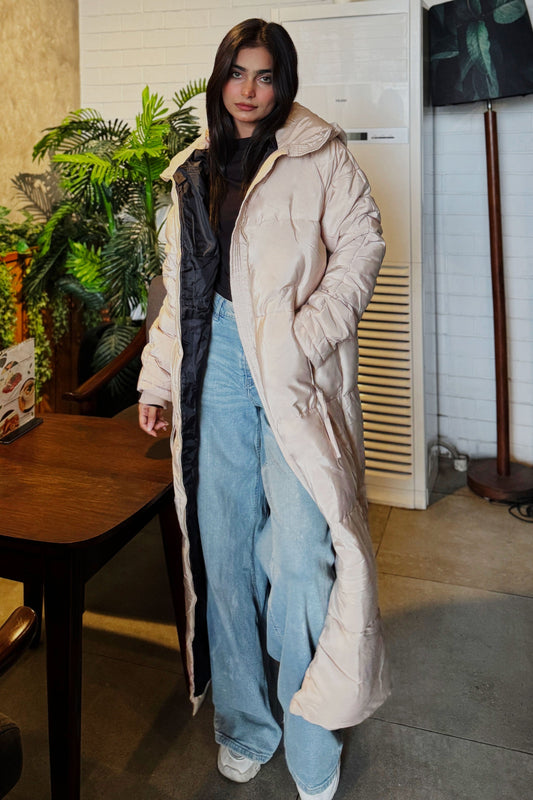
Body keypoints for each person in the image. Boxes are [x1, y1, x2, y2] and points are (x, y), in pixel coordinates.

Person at [138, 18, 390, 800]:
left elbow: (362, 249)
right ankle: (246, 726)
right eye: (236, 73)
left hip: (289, 375)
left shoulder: (320, 154)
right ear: (221, 79)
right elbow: (179, 290)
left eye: (265, 75)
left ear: (284, 83)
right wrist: (156, 380)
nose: (248, 90)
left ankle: (311, 736)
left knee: (302, 559)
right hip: (213, 368)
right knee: (224, 553)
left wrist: (302, 339)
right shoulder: (191, 169)